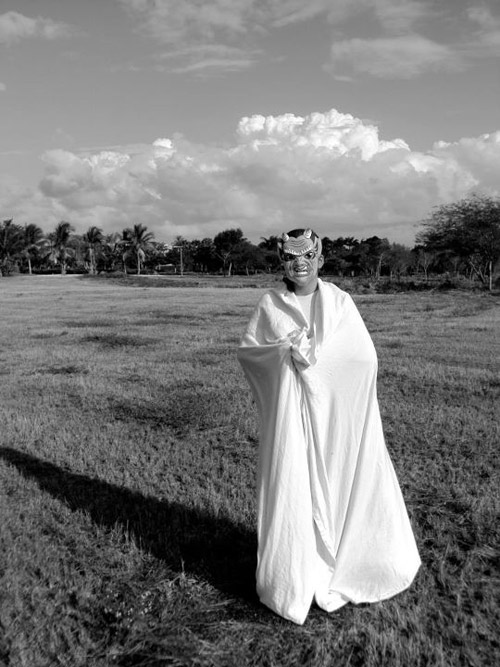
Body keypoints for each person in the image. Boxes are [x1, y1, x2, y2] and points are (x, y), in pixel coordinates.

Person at [237, 228, 421, 625]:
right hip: (294, 419)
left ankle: (350, 560)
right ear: (282, 262)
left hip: (336, 420)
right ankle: (298, 574)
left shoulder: (340, 303)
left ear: (320, 259)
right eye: (291, 257)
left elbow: (362, 359)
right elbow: (252, 354)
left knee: (341, 482)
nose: (299, 264)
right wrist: (285, 354)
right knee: (295, 483)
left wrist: (316, 365)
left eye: (307, 256)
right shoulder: (271, 305)